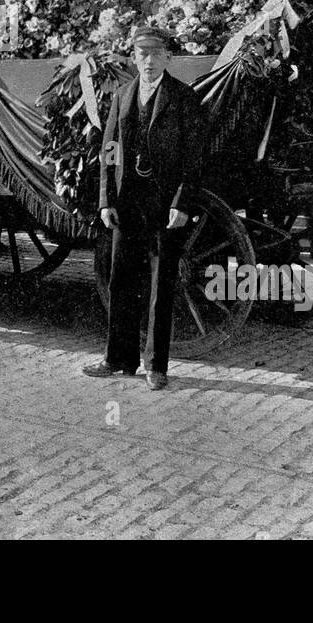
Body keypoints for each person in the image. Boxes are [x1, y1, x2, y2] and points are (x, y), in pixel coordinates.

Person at [85, 25, 208, 391]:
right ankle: (119, 359)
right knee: (120, 278)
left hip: (164, 206)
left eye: (156, 54)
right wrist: (106, 200)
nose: (149, 62)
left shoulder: (183, 99)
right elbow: (109, 153)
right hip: (128, 202)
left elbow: (194, 160)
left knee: (161, 285)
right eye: (142, 55)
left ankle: (156, 366)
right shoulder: (122, 96)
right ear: (134, 57)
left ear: (168, 58)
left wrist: (182, 204)